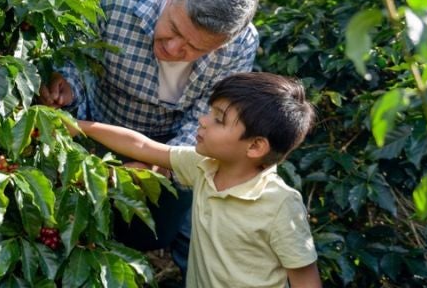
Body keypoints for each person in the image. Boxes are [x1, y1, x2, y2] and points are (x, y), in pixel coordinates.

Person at [38, 0, 260, 272]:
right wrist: (68, 87)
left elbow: (208, 114)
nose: (171, 48)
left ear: (221, 44)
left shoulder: (239, 46)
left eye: (193, 48)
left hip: (170, 143)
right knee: (80, 220)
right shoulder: (120, 0)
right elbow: (80, 61)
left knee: (152, 233)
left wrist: (161, 165)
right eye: (173, 29)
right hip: (100, 127)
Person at [71, 72, 322, 287]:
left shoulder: (279, 204)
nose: (202, 121)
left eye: (218, 119)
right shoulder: (204, 167)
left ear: (255, 146)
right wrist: (80, 126)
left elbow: (305, 279)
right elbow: (142, 145)